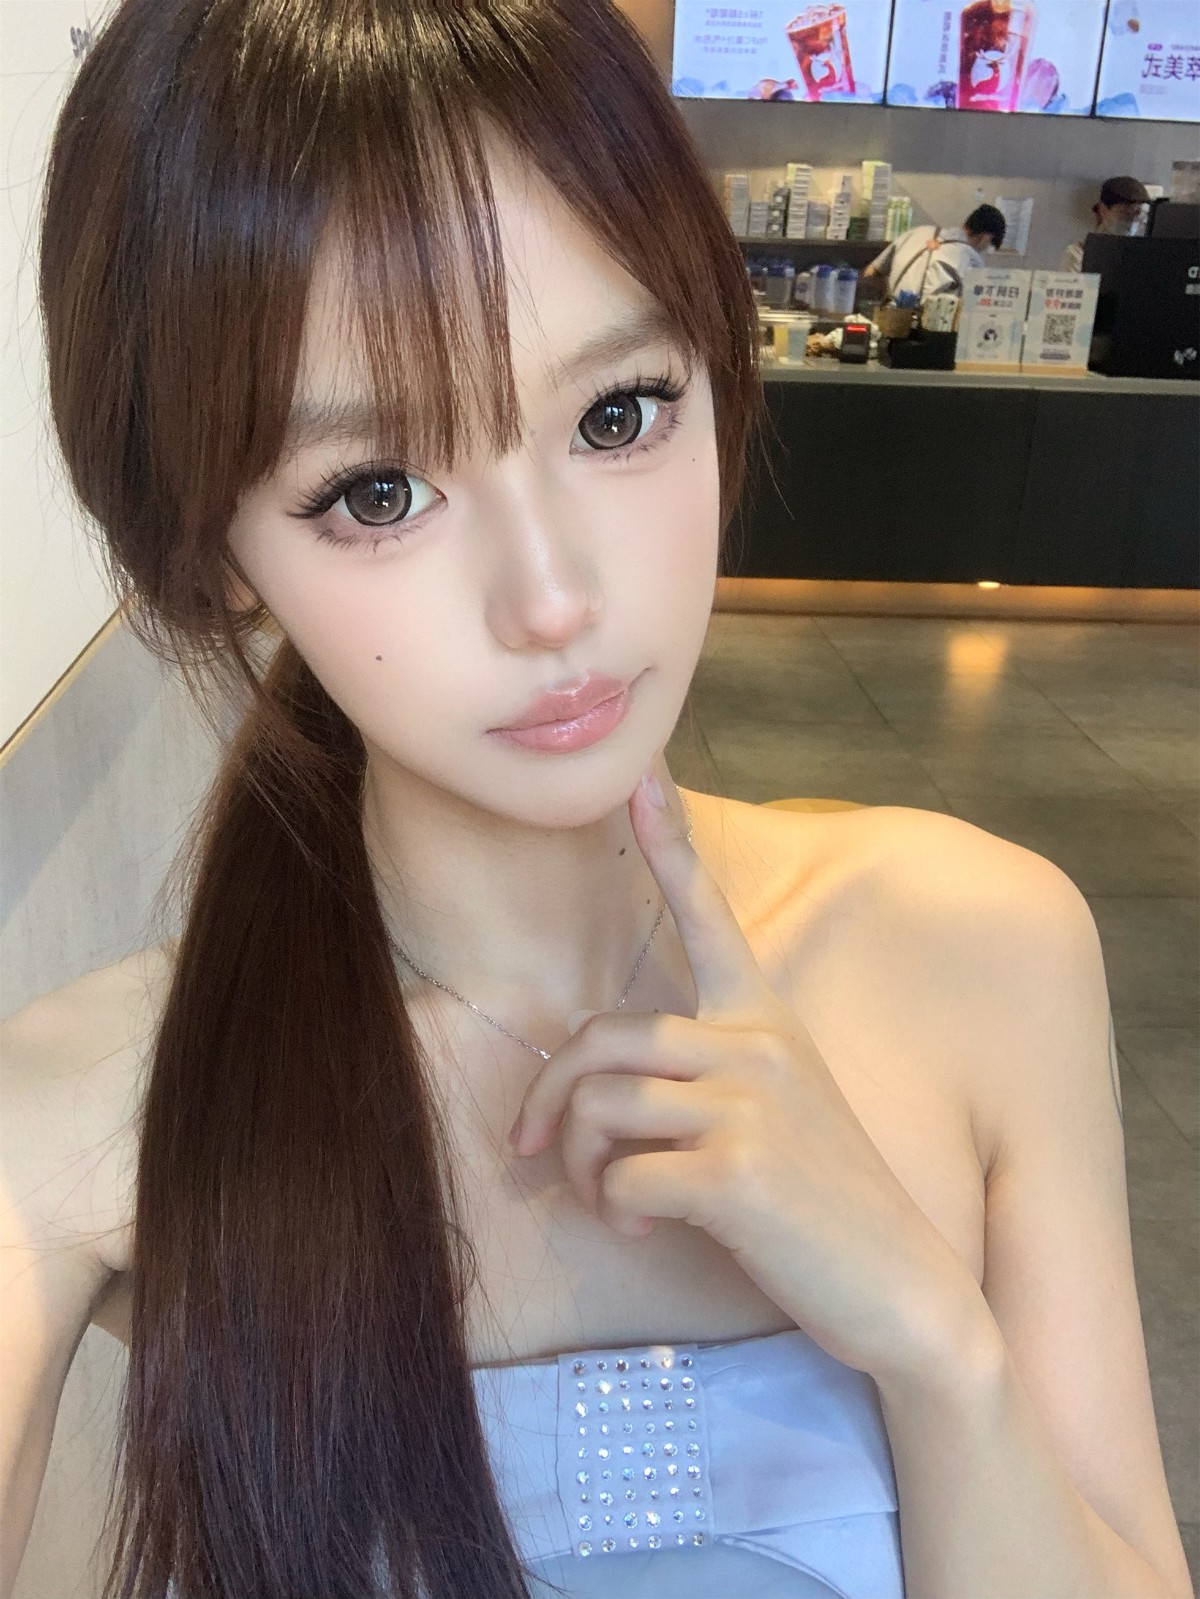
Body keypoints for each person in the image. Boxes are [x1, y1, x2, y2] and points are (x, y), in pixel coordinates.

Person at [2, 2, 1191, 1598]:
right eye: (377, 491)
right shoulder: (100, 1108)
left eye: (617, 412)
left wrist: (930, 1337)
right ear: (210, 554)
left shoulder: (982, 945)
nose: (554, 596)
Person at [862, 203, 1007, 301]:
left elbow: (871, 271)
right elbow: (973, 305)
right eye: (989, 244)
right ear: (986, 237)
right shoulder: (971, 259)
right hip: (930, 330)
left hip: (891, 319)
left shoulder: (916, 232)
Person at [1059, 175, 1151, 273]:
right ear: (1103, 210)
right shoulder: (1078, 253)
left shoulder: (1143, 256)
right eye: (1125, 212)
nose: (1132, 220)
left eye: (1138, 213)